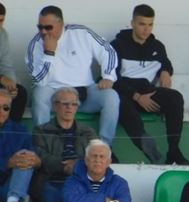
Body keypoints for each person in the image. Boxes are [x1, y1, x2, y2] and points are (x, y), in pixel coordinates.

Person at [26, 6, 120, 147]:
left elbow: (108, 51)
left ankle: (104, 148)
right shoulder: (36, 43)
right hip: (54, 94)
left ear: (61, 24)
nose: (43, 31)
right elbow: (38, 80)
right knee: (39, 94)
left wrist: (108, 76)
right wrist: (49, 54)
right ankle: (45, 146)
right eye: (40, 27)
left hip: (85, 92)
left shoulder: (81, 33)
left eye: (48, 27)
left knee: (111, 97)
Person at [111, 4, 189, 165]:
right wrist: (137, 97)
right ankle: (147, 146)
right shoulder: (117, 45)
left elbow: (166, 63)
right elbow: (112, 78)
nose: (146, 29)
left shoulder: (157, 46)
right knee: (121, 104)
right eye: (142, 24)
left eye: (150, 24)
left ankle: (174, 150)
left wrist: (165, 71)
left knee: (175, 97)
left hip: (148, 92)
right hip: (126, 94)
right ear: (132, 23)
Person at [31, 87, 97, 202]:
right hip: (51, 181)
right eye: (65, 104)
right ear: (55, 106)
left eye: (74, 104)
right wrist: (64, 166)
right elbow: (40, 156)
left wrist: (77, 165)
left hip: (80, 181)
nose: (70, 108)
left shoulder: (87, 132)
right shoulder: (41, 131)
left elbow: (95, 155)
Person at [62, 139, 131, 202]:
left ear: (109, 162)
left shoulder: (120, 183)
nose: (97, 160)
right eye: (94, 156)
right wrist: (104, 200)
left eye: (102, 156)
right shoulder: (72, 182)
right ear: (86, 160)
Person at [0, 89, 39, 202]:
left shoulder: (19, 129)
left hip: (9, 186)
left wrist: (35, 161)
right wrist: (7, 163)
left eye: (5, 108)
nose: (1, 111)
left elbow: (32, 157)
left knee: (25, 158)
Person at [0, 3, 28, 122]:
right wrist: (2, 78)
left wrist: (12, 85)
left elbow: (6, 65)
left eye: (1, 20)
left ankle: (10, 130)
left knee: (20, 93)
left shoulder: (2, 34)